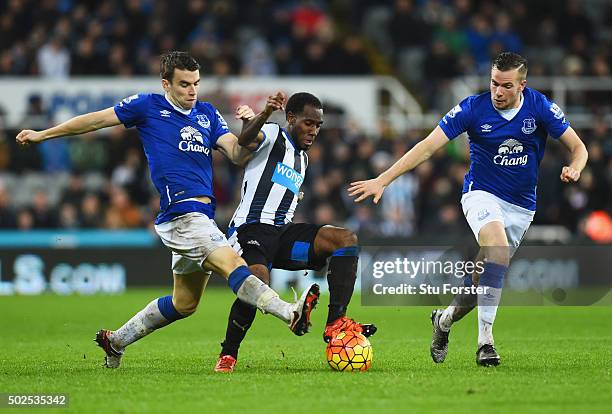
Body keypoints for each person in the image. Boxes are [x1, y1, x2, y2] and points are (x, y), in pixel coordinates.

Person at [16, 51, 320, 369]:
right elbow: (95, 120)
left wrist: (255, 120)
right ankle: (290, 312)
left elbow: (236, 154)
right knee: (234, 264)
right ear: (167, 84)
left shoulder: (207, 114)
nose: (192, 91)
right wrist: (43, 134)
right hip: (181, 216)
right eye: (185, 84)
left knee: (185, 303)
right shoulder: (147, 106)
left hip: (201, 218)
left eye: (196, 83)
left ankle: (115, 341)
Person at [349, 52, 588, 366]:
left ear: (522, 85)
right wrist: (383, 179)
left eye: (505, 86)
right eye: (493, 83)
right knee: (498, 252)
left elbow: (579, 147)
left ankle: (444, 320)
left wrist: (576, 168)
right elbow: (427, 146)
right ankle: (485, 343)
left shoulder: (540, 106)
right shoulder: (472, 108)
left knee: (481, 282)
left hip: (521, 206)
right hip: (481, 195)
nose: (497, 91)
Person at [214, 92, 377, 373]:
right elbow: (244, 141)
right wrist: (264, 113)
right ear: (291, 118)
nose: (314, 131)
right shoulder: (273, 133)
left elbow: (280, 189)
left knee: (345, 239)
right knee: (257, 280)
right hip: (250, 229)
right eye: (308, 123)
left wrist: (295, 197)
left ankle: (336, 321)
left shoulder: (303, 159)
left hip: (283, 236)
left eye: (318, 125)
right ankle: (228, 353)